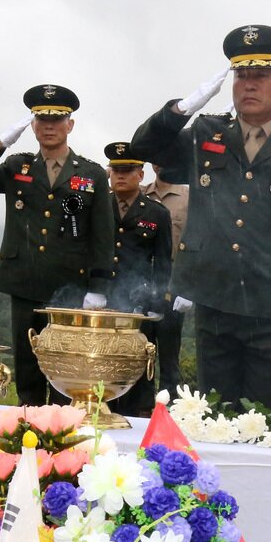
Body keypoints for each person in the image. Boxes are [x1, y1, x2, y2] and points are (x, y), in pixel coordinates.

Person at [131, 24, 271, 414]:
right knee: (215, 414)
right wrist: (180, 110)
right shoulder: (207, 133)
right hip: (215, 298)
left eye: (261, 75)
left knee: (268, 417)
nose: (249, 84)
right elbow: (143, 148)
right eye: (241, 75)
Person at [0, 85, 114, 405]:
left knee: (63, 364)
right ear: (32, 125)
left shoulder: (91, 174)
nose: (49, 126)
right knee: (28, 362)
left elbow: (103, 235)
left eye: (56, 120)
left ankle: (61, 425)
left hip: (70, 285)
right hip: (24, 279)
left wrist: (98, 287)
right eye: (42, 119)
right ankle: (27, 422)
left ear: (70, 125)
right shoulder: (18, 167)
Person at [103, 142, 174, 416]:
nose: (121, 176)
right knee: (103, 365)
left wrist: (158, 301)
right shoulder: (99, 207)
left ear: (141, 174)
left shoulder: (157, 213)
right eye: (116, 170)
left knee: (138, 366)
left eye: (128, 170)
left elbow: (163, 262)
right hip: (103, 300)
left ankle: (138, 418)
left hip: (139, 302)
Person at [140, 166, 190, 395]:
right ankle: (141, 407)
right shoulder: (140, 194)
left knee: (169, 356)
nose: (160, 164)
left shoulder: (188, 197)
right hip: (139, 284)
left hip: (172, 284)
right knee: (140, 353)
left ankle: (169, 407)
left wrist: (189, 286)